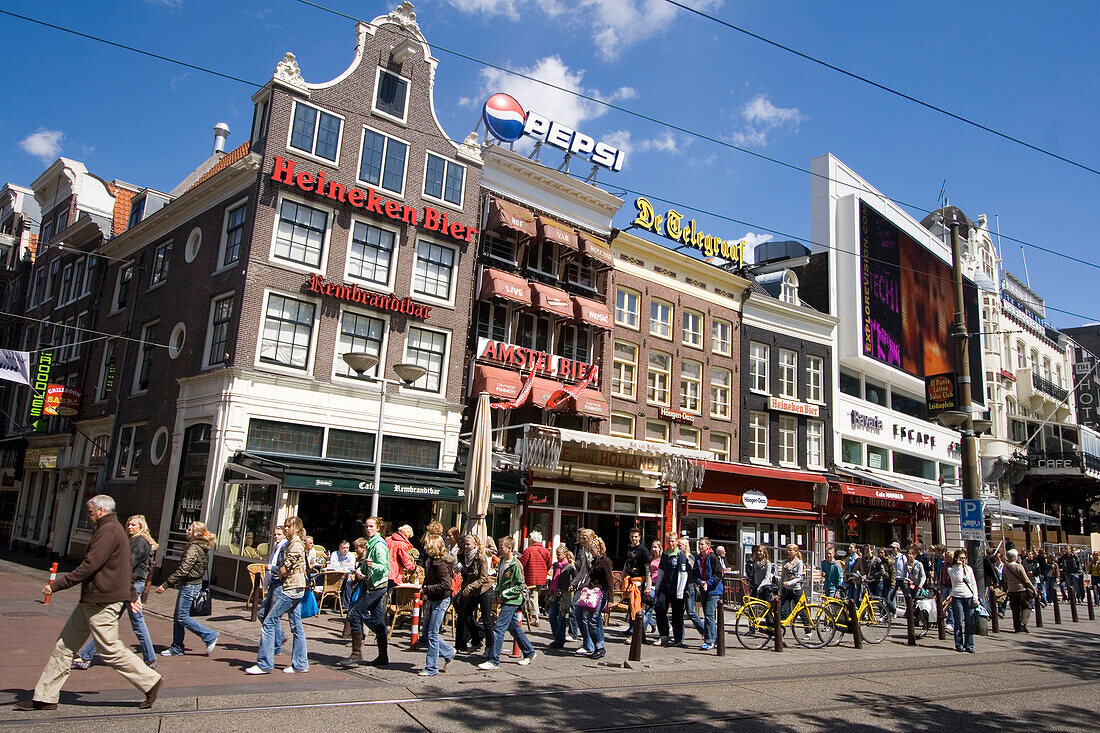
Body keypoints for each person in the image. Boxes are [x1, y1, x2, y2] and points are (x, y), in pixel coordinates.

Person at [15, 495, 163, 711]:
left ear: (101, 510)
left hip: (103, 601)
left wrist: (57, 585)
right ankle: (45, 697)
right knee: (64, 647)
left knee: (109, 649)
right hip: (92, 599)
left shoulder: (109, 531)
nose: (88, 514)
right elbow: (122, 568)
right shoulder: (112, 531)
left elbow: (90, 565)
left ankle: (150, 681)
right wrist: (131, 595)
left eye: (90, 511)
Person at [72, 514, 158, 670]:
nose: (130, 527)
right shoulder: (138, 541)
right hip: (131, 584)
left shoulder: (139, 542)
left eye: (133, 525)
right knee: (111, 620)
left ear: (141, 526)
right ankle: (86, 656)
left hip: (130, 585)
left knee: (131, 622)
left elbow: (128, 565)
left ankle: (150, 658)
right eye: (129, 524)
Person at [246, 517, 309, 674]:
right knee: (296, 625)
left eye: (289, 526)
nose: (286, 529)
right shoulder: (293, 543)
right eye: (285, 526)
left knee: (269, 621)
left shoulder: (294, 544)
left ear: (296, 527)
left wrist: (279, 570)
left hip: (292, 588)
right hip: (295, 586)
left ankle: (265, 664)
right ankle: (300, 663)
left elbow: (284, 569)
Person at [156, 521, 219, 657]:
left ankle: (209, 635)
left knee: (182, 617)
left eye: (189, 529)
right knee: (178, 617)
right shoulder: (202, 547)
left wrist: (166, 584)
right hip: (193, 584)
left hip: (189, 586)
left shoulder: (193, 548)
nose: (186, 531)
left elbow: (184, 569)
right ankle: (177, 647)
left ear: (196, 533)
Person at [337, 517, 390, 668]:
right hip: (373, 584)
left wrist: (373, 566)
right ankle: (383, 656)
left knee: (354, 614)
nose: (368, 529)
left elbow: (385, 568)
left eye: (371, 526)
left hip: (378, 586)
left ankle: (356, 653)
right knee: (378, 621)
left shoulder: (379, 545)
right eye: (367, 526)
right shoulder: (371, 544)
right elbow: (366, 565)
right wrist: (361, 570)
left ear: (378, 528)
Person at [478, 536, 537, 670]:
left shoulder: (515, 565)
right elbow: (500, 581)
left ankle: (494, 660)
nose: (499, 550)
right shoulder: (502, 561)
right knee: (513, 627)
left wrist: (503, 595)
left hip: (512, 599)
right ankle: (529, 651)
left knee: (499, 629)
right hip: (505, 598)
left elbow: (519, 585)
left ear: (510, 548)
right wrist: (497, 593)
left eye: (501, 547)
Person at [419, 535, 456, 676]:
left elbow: (446, 585)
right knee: (429, 633)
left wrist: (427, 589)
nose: (424, 548)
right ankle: (448, 651)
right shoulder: (432, 561)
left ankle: (431, 667)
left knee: (432, 634)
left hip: (440, 600)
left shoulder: (440, 564)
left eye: (427, 545)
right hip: (434, 599)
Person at [576, 535, 614, 659]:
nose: (591, 552)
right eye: (590, 550)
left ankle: (599, 647)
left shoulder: (606, 561)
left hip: (601, 593)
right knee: (594, 620)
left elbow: (610, 581)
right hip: (592, 592)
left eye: (592, 549)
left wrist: (610, 601)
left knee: (592, 619)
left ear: (599, 548)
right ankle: (599, 645)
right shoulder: (594, 561)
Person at [455, 534, 494, 654]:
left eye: (469, 544)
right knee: (465, 615)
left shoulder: (481, 558)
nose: (466, 546)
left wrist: (469, 587)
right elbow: (466, 574)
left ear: (475, 545)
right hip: (472, 591)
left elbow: (484, 578)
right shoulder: (461, 556)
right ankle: (477, 639)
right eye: (465, 544)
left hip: (484, 590)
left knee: (486, 619)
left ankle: (490, 647)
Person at [256, 525, 288, 655]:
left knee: (272, 616)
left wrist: (272, 568)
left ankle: (275, 646)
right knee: (262, 613)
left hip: (279, 583)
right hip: (272, 582)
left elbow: (285, 568)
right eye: (274, 534)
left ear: (284, 535)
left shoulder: (284, 548)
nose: (276, 537)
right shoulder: (276, 547)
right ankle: (280, 637)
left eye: (279, 534)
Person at [654, 532, 689, 647]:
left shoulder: (680, 555)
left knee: (677, 615)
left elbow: (683, 574)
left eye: (673, 541)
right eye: (669, 541)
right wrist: (658, 587)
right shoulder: (664, 554)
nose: (671, 543)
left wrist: (680, 591)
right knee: (659, 607)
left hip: (676, 589)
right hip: (665, 588)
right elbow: (661, 572)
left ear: (676, 541)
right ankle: (663, 634)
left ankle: (678, 638)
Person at [947, 549, 978, 653]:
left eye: (964, 558)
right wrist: (959, 566)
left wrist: (975, 598)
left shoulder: (969, 569)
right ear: (956, 559)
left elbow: (973, 583)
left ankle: (969, 645)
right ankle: (959, 644)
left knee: (969, 621)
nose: (963, 560)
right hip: (957, 596)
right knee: (958, 621)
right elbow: (959, 579)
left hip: (969, 596)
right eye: (961, 558)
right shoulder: (951, 569)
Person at [519, 530, 552, 627]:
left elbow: (522, 564)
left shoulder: (529, 550)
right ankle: (531, 616)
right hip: (541, 578)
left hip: (531, 577)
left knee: (532, 597)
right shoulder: (546, 551)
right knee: (535, 596)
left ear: (532, 540)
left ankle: (536, 618)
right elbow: (549, 564)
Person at [695, 537, 723, 650]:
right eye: (699, 544)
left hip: (714, 590)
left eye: (702, 544)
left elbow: (718, 574)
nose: (700, 546)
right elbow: (695, 574)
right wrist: (700, 582)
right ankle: (712, 638)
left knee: (709, 615)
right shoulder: (698, 558)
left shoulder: (713, 557)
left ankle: (710, 640)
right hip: (703, 588)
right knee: (707, 615)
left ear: (708, 546)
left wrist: (708, 583)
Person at [547, 546, 576, 649]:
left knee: (562, 617)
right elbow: (553, 577)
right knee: (551, 615)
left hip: (564, 593)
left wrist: (572, 586)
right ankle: (557, 637)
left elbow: (575, 578)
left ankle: (560, 640)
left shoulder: (569, 567)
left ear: (564, 555)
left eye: (559, 554)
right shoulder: (555, 565)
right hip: (555, 593)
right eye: (556, 554)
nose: (557, 556)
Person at [1003, 548, 1036, 633]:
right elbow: (1026, 580)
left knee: (1015, 609)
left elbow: (1005, 579)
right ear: (1015, 557)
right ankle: (1023, 623)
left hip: (1011, 590)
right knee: (1027, 606)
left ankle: (1016, 627)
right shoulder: (1019, 566)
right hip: (1021, 589)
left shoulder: (1005, 567)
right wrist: (1033, 589)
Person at [568, 529, 594, 641]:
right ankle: (575, 634)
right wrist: (574, 584)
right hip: (582, 584)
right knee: (575, 608)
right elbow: (583, 571)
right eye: (581, 537)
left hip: (591, 587)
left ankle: (590, 641)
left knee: (587, 616)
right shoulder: (582, 549)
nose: (581, 540)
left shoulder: (592, 552)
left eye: (584, 538)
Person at [621, 528, 650, 626]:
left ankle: (637, 627)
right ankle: (631, 627)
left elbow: (647, 569)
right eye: (632, 537)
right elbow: (626, 564)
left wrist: (648, 586)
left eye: (636, 537)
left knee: (636, 604)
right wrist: (623, 578)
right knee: (630, 604)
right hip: (629, 580)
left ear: (639, 537)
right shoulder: (629, 548)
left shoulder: (644, 551)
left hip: (639, 580)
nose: (634, 539)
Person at [642, 540, 663, 634]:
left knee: (651, 608)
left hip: (659, 585)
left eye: (656, 547)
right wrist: (647, 586)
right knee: (648, 607)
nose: (654, 549)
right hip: (651, 585)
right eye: (653, 547)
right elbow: (648, 573)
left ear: (660, 548)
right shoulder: (651, 559)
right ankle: (652, 623)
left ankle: (641, 632)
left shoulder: (662, 559)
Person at [779, 544, 805, 621]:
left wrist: (789, 582)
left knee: (801, 610)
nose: (789, 552)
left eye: (790, 550)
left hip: (796, 589)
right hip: (786, 589)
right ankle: (781, 629)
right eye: (788, 550)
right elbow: (782, 576)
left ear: (795, 552)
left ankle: (808, 629)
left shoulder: (799, 563)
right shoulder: (785, 562)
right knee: (783, 611)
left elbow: (799, 577)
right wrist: (781, 589)